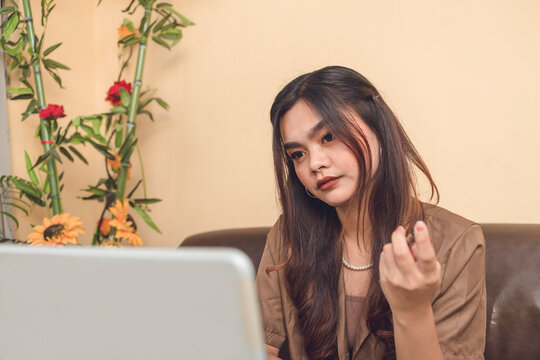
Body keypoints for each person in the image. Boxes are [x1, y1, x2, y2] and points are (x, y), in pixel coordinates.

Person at [256, 66, 486, 360]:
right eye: (298, 154)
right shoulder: (287, 236)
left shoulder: (458, 244)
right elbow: (257, 348)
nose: (315, 162)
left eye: (328, 137)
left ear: (379, 129)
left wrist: (412, 310)